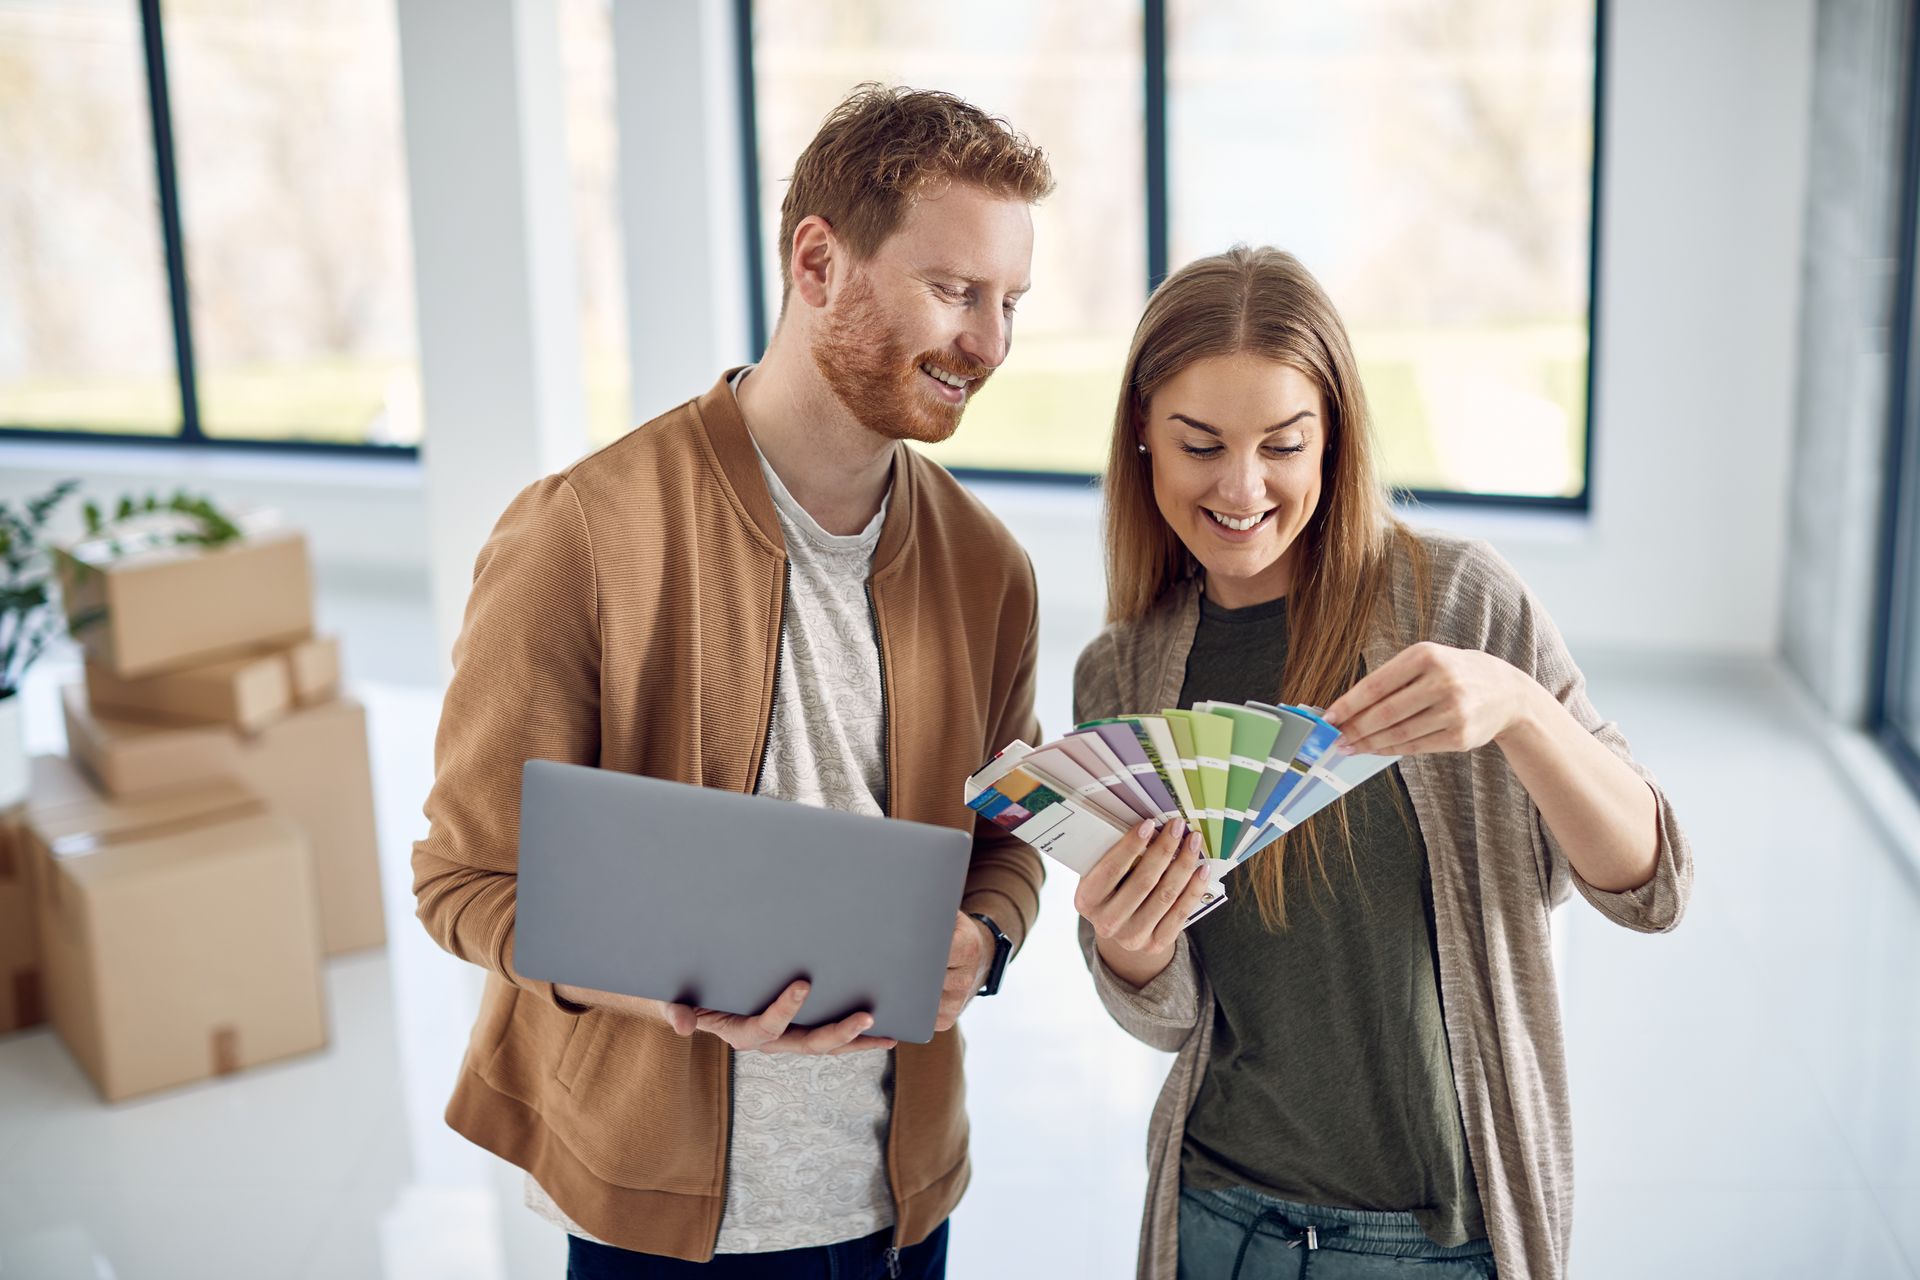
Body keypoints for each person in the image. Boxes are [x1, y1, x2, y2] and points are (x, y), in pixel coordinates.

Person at [411, 84, 1053, 1278]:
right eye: (955, 290)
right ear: (818, 262)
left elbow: (1009, 835)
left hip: (901, 1206)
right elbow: (464, 879)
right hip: (661, 1222)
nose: (990, 344)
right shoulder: (582, 532)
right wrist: (650, 983)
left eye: (1009, 302)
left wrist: (988, 935)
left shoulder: (989, 568)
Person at [1070, 245, 1693, 1280]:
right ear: (1142, 433)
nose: (1241, 485)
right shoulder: (1122, 670)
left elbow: (1652, 887)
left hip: (1443, 1237)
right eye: (1199, 443)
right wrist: (1127, 946)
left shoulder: (1456, 600)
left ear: (1334, 437)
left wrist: (1520, 710)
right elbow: (1169, 1015)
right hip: (1221, 1218)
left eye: (1283, 444)